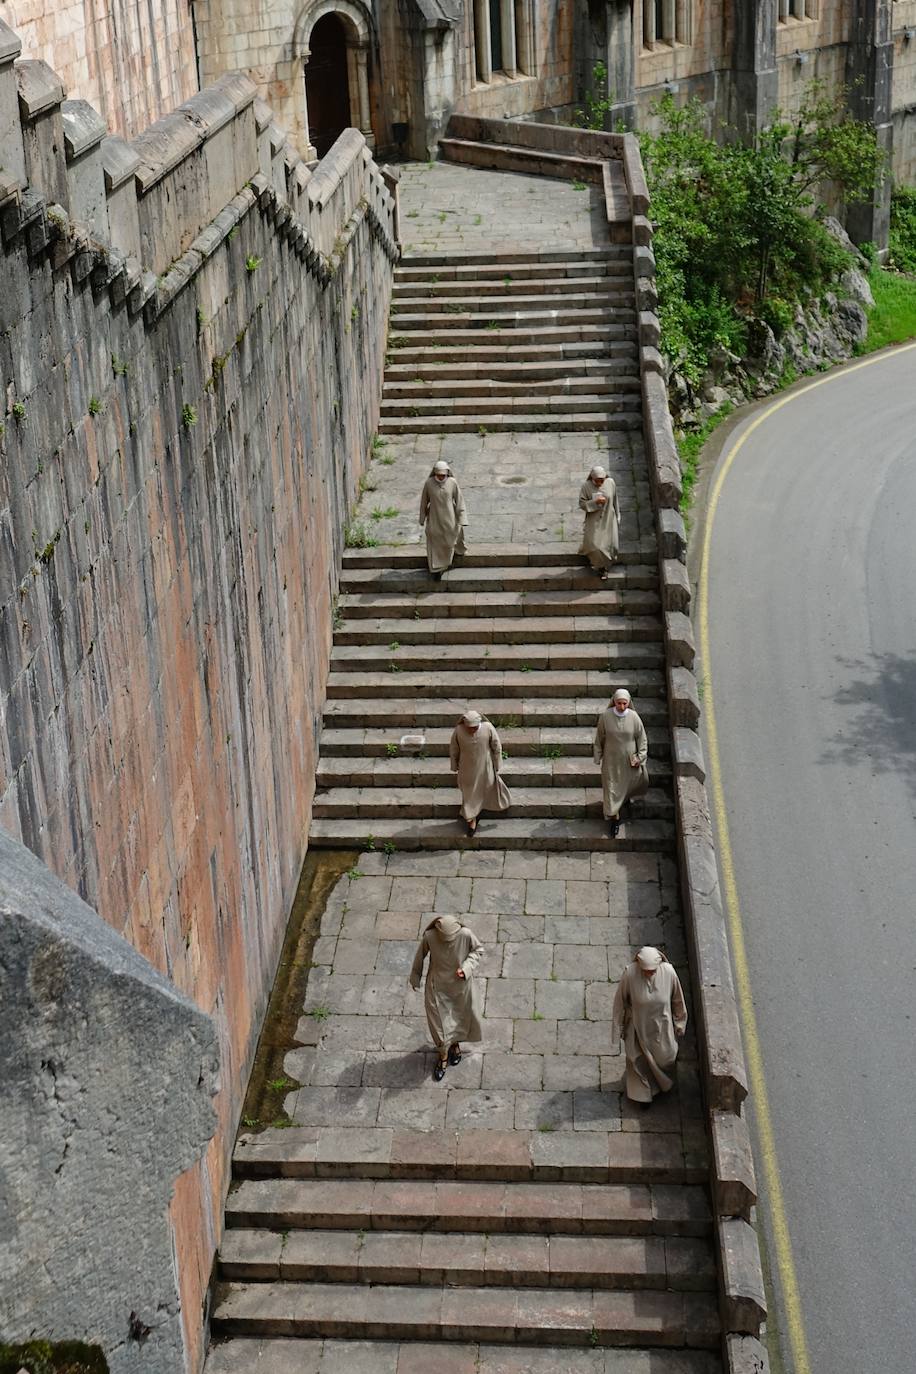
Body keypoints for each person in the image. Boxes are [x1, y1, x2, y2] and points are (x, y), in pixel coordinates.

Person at [409, 915, 484, 1081]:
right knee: (438, 1026)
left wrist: (466, 968)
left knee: (457, 1019)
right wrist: (416, 977)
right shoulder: (430, 937)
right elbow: (419, 956)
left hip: (460, 986)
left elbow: (478, 950)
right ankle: (443, 1057)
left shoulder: (465, 934)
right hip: (436, 988)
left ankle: (455, 1044)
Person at [611, 946, 687, 1104]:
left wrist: (680, 1022)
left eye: (652, 970)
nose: (649, 973)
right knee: (638, 1061)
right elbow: (620, 1002)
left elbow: (677, 1000)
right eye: (645, 970)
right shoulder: (630, 974)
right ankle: (643, 1096)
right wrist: (618, 1026)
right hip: (638, 1027)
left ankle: (659, 1086)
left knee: (666, 1058)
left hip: (662, 1027)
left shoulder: (669, 972)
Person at [593, 688, 648, 837]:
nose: (622, 706)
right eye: (619, 703)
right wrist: (597, 755)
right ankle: (614, 818)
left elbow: (642, 739)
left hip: (628, 760)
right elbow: (599, 737)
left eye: (624, 703)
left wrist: (640, 757)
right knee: (611, 788)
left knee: (627, 784)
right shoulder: (605, 717)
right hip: (611, 760)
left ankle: (624, 801)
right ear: (614, 702)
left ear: (629, 702)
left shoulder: (634, 717)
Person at [449, 709, 512, 836]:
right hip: (467, 769)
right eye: (469, 727)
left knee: (487, 785)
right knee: (468, 793)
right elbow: (454, 749)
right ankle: (471, 819)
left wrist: (497, 763)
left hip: (485, 766)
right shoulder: (459, 731)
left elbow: (496, 746)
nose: (472, 730)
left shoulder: (488, 728)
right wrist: (454, 765)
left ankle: (482, 808)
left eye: (475, 727)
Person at [419, 460, 467, 578]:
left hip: (450, 517)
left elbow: (459, 501)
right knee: (435, 540)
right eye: (438, 475)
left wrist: (462, 518)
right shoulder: (429, 484)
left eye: (443, 475)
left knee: (450, 539)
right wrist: (422, 518)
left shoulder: (452, 483)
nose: (441, 477)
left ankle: (449, 559)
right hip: (435, 518)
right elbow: (424, 502)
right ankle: (437, 569)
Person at [578, 464, 620, 579]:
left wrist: (617, 515)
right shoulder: (586, 486)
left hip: (608, 518)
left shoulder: (610, 483)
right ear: (592, 478)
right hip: (594, 519)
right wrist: (595, 502)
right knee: (594, 545)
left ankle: (604, 567)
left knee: (609, 544)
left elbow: (615, 499)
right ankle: (598, 564)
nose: (599, 483)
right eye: (597, 481)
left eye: (601, 480)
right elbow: (582, 504)